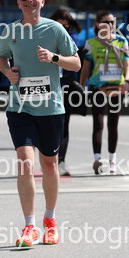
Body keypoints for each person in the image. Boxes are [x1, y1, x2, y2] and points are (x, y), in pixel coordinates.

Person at [0, 0, 80, 248]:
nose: (29, 0)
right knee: (24, 162)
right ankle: (29, 226)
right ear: (18, 2)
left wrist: (54, 58)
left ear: (42, 0)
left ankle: (50, 221)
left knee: (49, 165)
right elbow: (0, 56)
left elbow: (76, 63)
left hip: (51, 108)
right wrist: (8, 72)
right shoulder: (11, 31)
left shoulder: (55, 29)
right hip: (20, 107)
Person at [79, 10, 129, 175]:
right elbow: (85, 68)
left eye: (112, 22)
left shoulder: (122, 41)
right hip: (98, 88)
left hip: (117, 87)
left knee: (113, 124)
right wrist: (81, 87)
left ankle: (112, 159)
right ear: (98, 24)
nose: (110, 25)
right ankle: (97, 159)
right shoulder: (91, 43)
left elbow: (128, 64)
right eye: (106, 22)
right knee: (98, 123)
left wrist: (127, 81)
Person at [49, 9, 84, 177]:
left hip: (67, 86)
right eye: (59, 26)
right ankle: (49, 158)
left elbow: (76, 63)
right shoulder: (45, 37)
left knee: (64, 125)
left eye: (66, 26)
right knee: (48, 125)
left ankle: (61, 161)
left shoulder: (73, 39)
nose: (63, 29)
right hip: (49, 86)